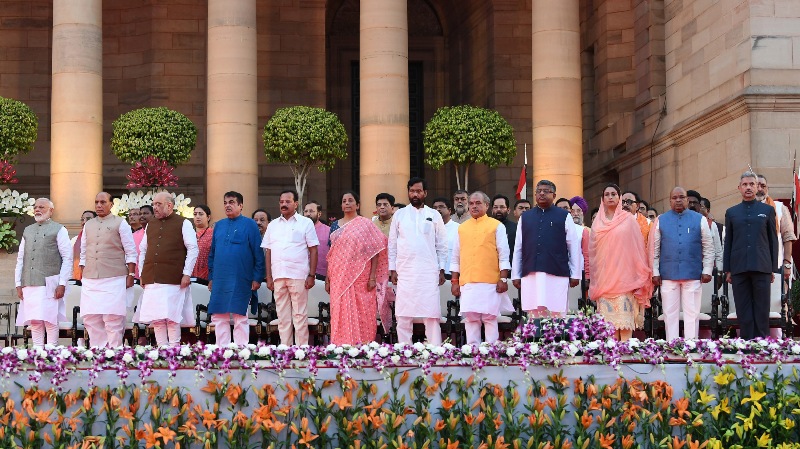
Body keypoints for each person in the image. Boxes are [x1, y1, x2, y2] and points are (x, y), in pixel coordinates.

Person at [589, 184, 653, 341]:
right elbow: (594, 254)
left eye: (613, 194)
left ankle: (625, 360)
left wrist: (639, 275)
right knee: (609, 329)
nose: (610, 197)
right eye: (607, 194)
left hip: (625, 279)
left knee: (624, 326)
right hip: (605, 280)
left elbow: (638, 249)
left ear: (619, 198)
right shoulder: (597, 223)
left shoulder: (628, 220)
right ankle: (612, 361)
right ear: (602, 199)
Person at [325, 191, 390, 344]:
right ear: (341, 206)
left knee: (362, 310)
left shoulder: (365, 224)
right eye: (344, 201)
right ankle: (340, 346)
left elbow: (376, 250)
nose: (347, 203)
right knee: (340, 310)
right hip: (338, 275)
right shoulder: (335, 225)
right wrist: (328, 278)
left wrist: (373, 276)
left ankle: (362, 346)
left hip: (361, 275)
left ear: (358, 205)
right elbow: (332, 253)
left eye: (350, 200)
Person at [389, 177, 448, 345]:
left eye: (418, 191)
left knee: (431, 314)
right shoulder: (399, 215)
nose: (415, 194)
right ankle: (403, 351)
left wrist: (441, 269)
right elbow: (392, 245)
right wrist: (392, 270)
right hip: (405, 272)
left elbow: (442, 245)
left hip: (428, 272)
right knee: (403, 314)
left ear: (425, 193)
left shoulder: (434, 215)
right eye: (412, 191)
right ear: (408, 192)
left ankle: (435, 350)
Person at [651, 187, 714, 340]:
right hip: (668, 274)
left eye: (681, 197)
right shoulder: (661, 220)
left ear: (687, 200)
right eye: (674, 197)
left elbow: (708, 246)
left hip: (692, 274)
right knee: (669, 314)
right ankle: (672, 346)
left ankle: (691, 347)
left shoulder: (699, 219)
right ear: (670, 201)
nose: (678, 200)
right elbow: (655, 248)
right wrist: (655, 272)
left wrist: (707, 269)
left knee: (692, 313)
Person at [450, 192, 514, 344]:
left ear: (486, 205)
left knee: (489, 318)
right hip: (468, 281)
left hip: (490, 282)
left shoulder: (496, 225)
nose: (474, 206)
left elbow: (504, 255)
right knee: (471, 319)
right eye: (471, 203)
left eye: (478, 203)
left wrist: (503, 278)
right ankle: (472, 351)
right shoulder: (462, 228)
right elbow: (455, 257)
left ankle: (491, 351)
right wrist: (454, 281)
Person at [512, 181, 582, 317]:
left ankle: (558, 338)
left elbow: (573, 247)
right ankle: (536, 339)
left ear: (554, 195)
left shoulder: (564, 216)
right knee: (534, 314)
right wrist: (515, 275)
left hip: (557, 273)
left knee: (557, 313)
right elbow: (518, 248)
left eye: (546, 191)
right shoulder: (525, 217)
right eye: (539, 191)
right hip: (531, 274)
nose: (542, 193)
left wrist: (575, 274)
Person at [137, 192, 198, 347]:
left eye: (158, 204)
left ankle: (174, 350)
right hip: (152, 277)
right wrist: (142, 272)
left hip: (174, 278)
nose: (155, 207)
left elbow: (192, 248)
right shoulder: (151, 224)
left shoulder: (183, 223)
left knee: (172, 317)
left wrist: (186, 273)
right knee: (157, 319)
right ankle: (162, 350)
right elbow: (143, 249)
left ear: (169, 205)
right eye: (154, 204)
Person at [724, 172, 779, 339]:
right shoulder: (731, 212)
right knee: (743, 309)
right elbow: (729, 242)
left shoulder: (767, 210)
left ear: (757, 187)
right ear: (739, 188)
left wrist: (772, 268)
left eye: (752, 184)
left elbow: (773, 241)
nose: (748, 187)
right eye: (745, 184)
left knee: (762, 309)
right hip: (738, 267)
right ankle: (747, 345)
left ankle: (762, 345)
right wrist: (727, 269)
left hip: (762, 266)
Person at [79, 192, 138, 348]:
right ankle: (97, 350)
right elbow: (83, 251)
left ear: (111, 204)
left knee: (113, 317)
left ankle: (114, 351)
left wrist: (131, 274)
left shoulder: (120, 223)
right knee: (91, 317)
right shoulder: (88, 225)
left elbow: (131, 250)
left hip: (115, 276)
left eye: (103, 202)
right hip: (91, 277)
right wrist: (83, 270)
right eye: (96, 202)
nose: (99, 205)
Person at [207, 191, 265, 346]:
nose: (227, 205)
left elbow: (258, 254)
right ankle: (222, 350)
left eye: (231, 202)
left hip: (242, 278)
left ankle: (241, 352)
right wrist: (211, 277)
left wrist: (257, 277)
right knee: (220, 316)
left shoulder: (250, 225)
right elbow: (212, 254)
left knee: (240, 316)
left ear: (241, 205)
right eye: (225, 202)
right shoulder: (219, 226)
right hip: (220, 279)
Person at [263, 189, 319, 346]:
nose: (284, 204)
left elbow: (313, 249)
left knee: (300, 315)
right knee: (282, 316)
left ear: (296, 203)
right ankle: (285, 350)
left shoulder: (305, 223)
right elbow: (268, 252)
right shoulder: (273, 225)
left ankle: (301, 351)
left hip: (298, 275)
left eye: (287, 202)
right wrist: (268, 277)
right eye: (281, 202)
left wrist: (311, 275)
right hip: (278, 275)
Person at [15, 198, 72, 346]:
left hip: (50, 283)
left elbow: (67, 258)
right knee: (35, 321)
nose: (37, 209)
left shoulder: (59, 229)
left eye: (42, 207)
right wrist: (18, 283)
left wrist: (62, 283)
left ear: (51, 211)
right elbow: (21, 258)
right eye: (36, 207)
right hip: (29, 282)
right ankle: (38, 353)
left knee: (50, 320)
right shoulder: (28, 230)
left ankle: (51, 353)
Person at [757, 174, 796, 283]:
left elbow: (788, 236)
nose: (759, 189)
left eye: (763, 186)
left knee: (776, 299)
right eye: (757, 185)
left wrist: (787, 263)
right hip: (752, 267)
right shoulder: (744, 210)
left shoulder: (779, 207)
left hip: (776, 264)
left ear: (767, 189)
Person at [432, 197, 460, 280]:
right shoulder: (428, 229)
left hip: (451, 274)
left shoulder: (459, 228)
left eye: (441, 207)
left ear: (449, 210)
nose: (437, 209)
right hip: (432, 274)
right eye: (435, 208)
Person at [304, 200, 330, 281]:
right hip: (301, 275)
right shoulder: (298, 230)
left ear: (319, 214)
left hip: (322, 276)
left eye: (311, 211)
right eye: (306, 211)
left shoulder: (329, 231)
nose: (308, 214)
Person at [569, 196, 591, 281]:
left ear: (583, 212)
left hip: (581, 274)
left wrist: (587, 275)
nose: (575, 214)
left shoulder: (589, 231)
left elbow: (587, 256)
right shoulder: (564, 229)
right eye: (572, 211)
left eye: (578, 210)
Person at [71, 210, 97, 280]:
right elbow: (69, 261)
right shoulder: (74, 240)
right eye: (82, 219)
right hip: (77, 282)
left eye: (88, 219)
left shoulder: (101, 239)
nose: (84, 222)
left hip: (96, 280)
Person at [491, 194, 516, 264]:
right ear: (492, 210)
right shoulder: (485, 228)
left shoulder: (516, 229)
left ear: (508, 210)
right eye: (495, 207)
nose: (498, 209)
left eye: (502, 207)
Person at [192, 205, 213, 281]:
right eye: (195, 214)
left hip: (207, 276)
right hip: (188, 277)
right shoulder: (188, 234)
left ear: (208, 217)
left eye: (201, 214)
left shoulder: (213, 234)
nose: (197, 217)